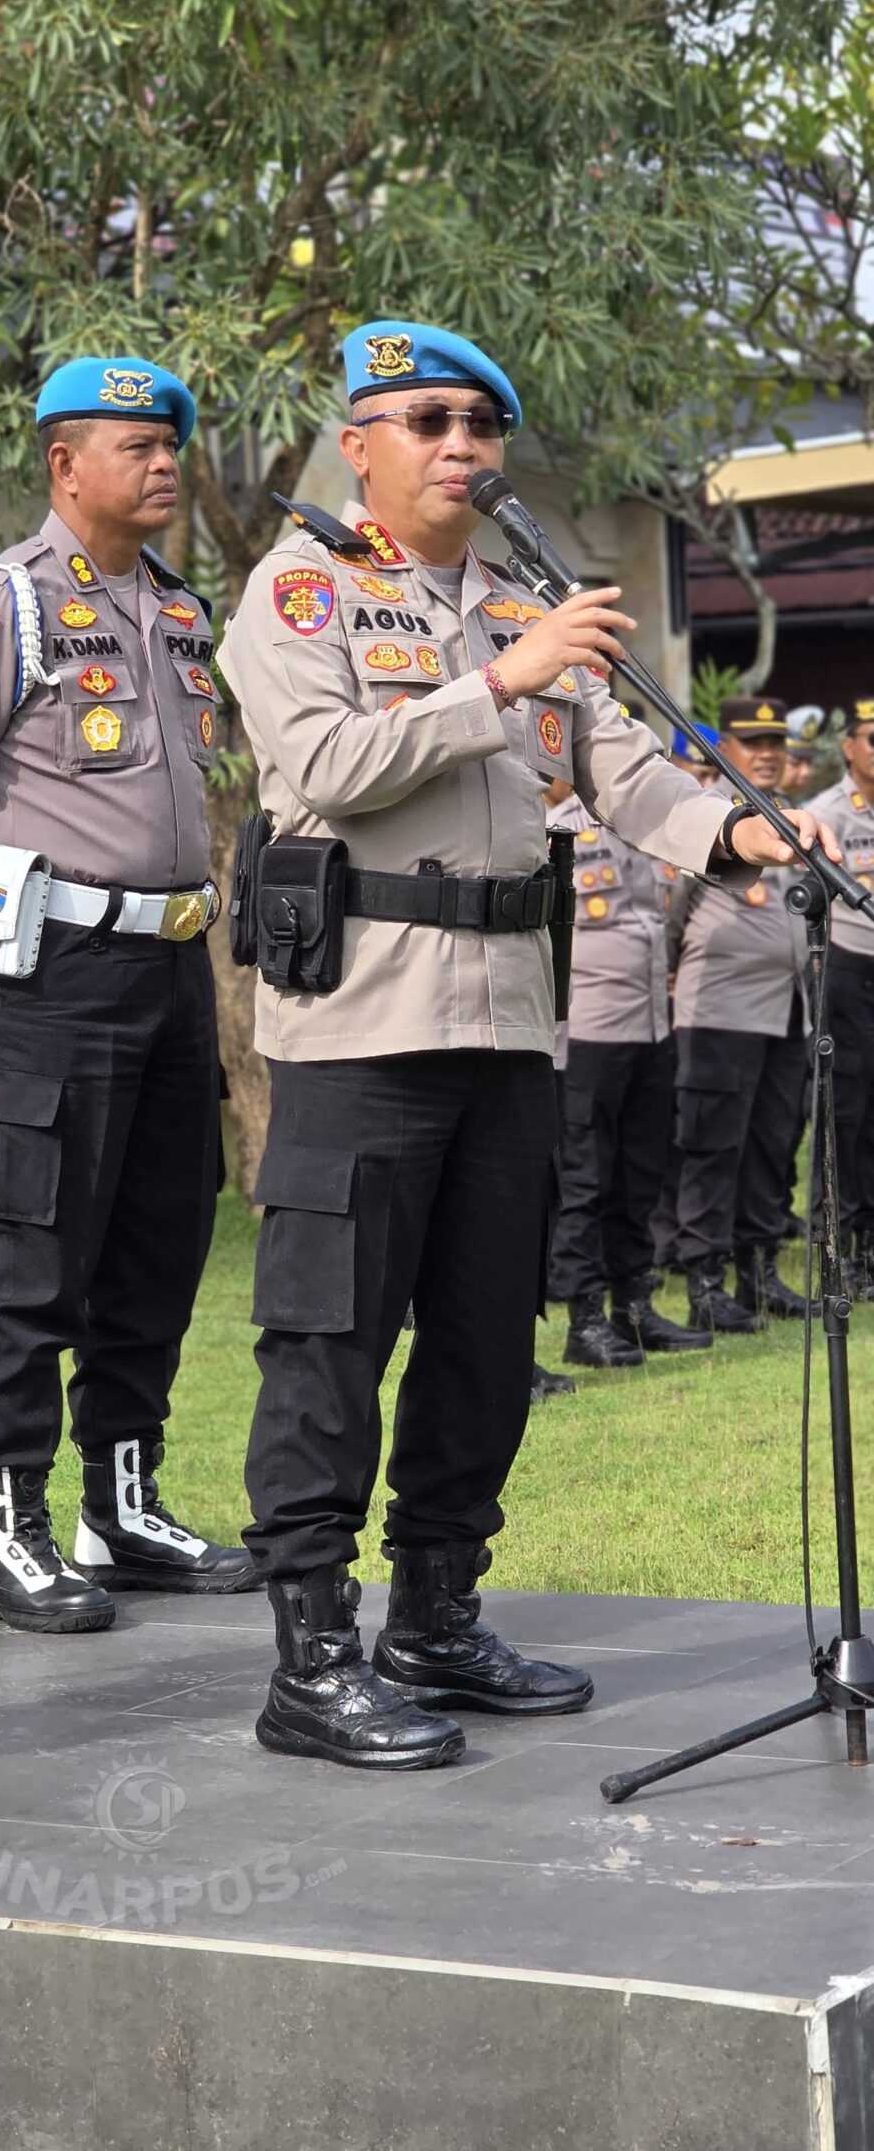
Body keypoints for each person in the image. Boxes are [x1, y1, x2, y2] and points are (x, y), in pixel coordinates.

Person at [216, 319, 839, 1772]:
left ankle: (436, 1619)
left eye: (482, 427)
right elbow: (320, 768)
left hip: (509, 1022)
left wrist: (748, 832)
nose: (461, 449)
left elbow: (627, 776)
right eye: (427, 421)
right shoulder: (302, 589)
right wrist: (495, 685)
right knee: (329, 1341)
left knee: (488, 1342)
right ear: (360, 442)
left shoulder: (525, 600)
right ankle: (312, 1659)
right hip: (360, 1027)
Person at [0, 356, 255, 1630]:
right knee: (33, 1252)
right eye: (136, 444)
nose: (164, 463)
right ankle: (10, 1533)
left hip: (170, 963)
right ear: (63, 464)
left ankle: (124, 1504)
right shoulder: (2, 602)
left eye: (171, 443)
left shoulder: (177, 610)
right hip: (46, 967)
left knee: (158, 1240)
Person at [546, 777, 711, 1365]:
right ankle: (584, 1319)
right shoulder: (555, 825)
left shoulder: (649, 825)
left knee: (641, 1173)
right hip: (587, 1031)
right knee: (585, 1180)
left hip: (650, 1026)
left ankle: (634, 1308)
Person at [669, 697, 811, 1331]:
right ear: (723, 750)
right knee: (712, 1149)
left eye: (776, 743)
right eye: (753, 744)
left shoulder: (790, 819)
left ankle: (759, 1274)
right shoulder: (703, 820)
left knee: (769, 1147)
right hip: (719, 1012)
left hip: (786, 1012)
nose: (768, 754)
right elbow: (668, 917)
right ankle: (704, 1279)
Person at [806, 703, 874, 1293]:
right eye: (871, 739)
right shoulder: (826, 812)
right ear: (848, 746)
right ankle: (840, 1243)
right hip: (849, 971)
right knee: (844, 1111)